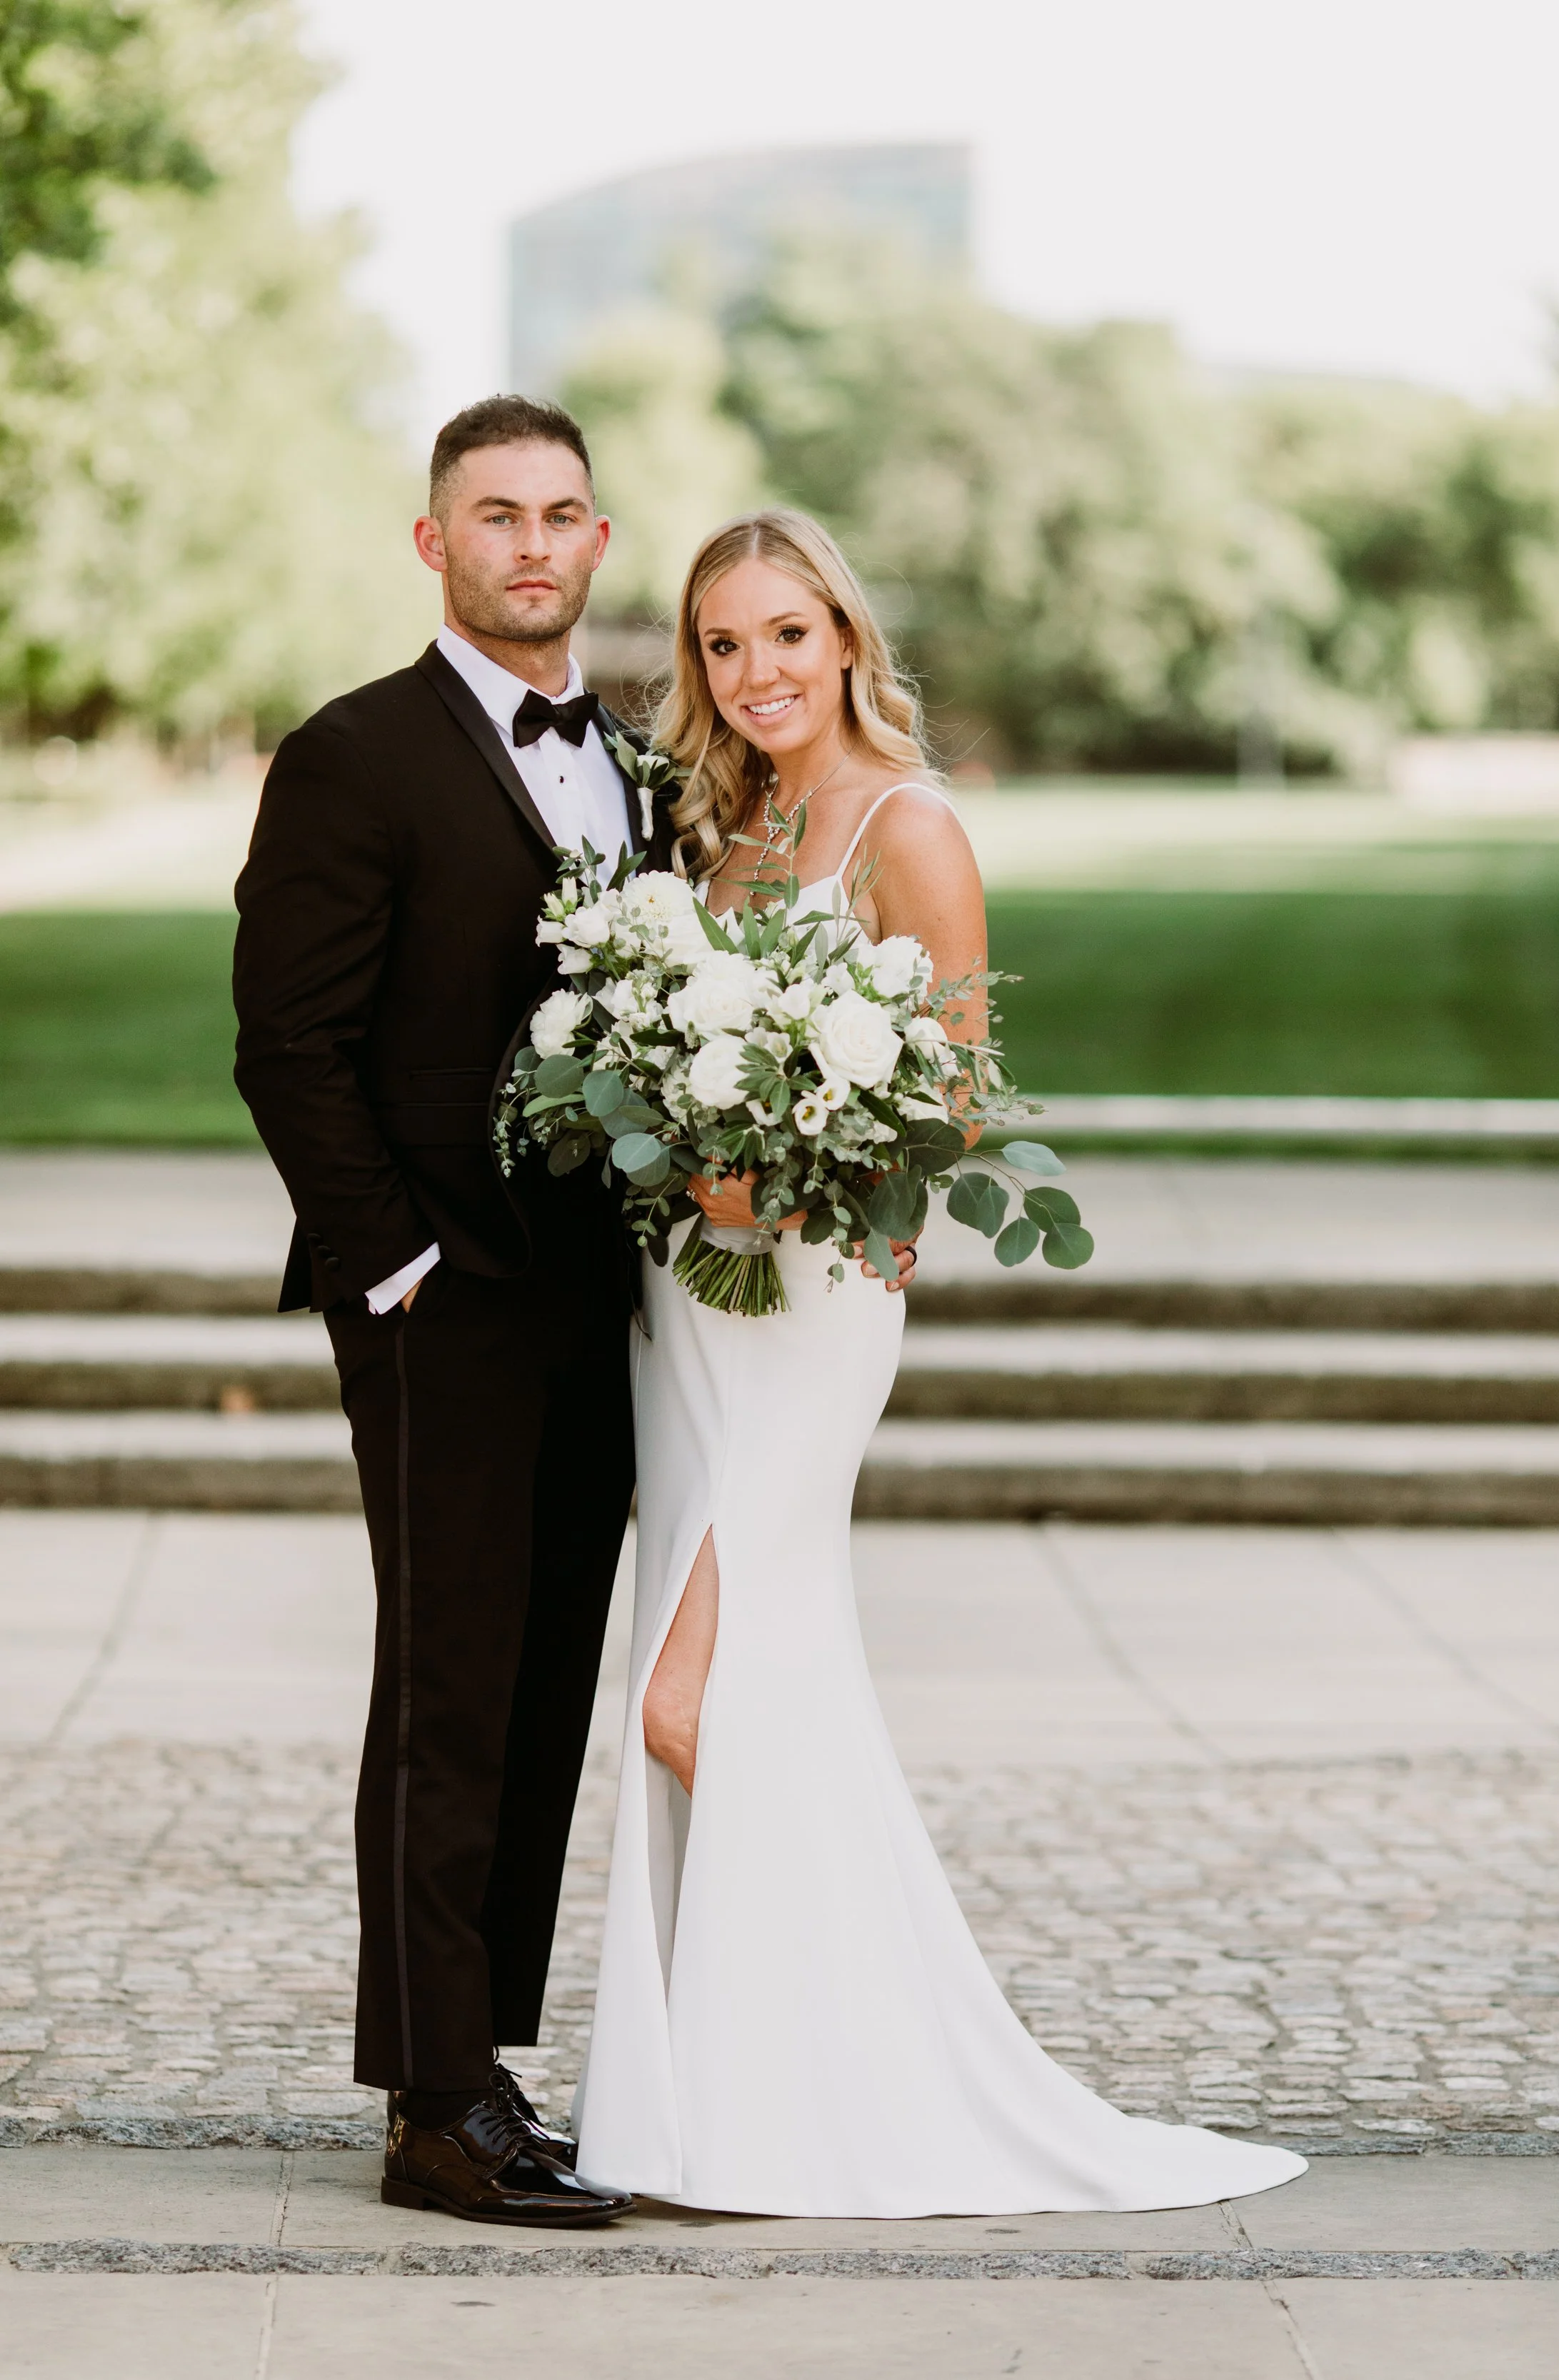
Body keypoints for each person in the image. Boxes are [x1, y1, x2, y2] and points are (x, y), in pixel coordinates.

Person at [571, 508, 1307, 2216]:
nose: (754, 671)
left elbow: (955, 1095)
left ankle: (857, 2071)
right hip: (685, 1300)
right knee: (726, 1684)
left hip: (811, 1303)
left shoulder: (911, 825)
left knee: (700, 1693)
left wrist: (768, 1172)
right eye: (722, 644)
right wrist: (682, 1156)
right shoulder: (721, 831)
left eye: (782, 633)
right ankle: (744, 2093)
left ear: (842, 635)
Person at [233, 396, 652, 2228]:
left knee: (547, 1679)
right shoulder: (353, 756)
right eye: (497, 515)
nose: (533, 544)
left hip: (599, 1302)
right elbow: (289, 1045)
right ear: (435, 544)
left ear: (597, 541)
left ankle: (486, 2064)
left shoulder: (632, 765)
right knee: (448, 1694)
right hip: (438, 1303)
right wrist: (389, 1262)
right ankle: (427, 2106)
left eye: (562, 513)